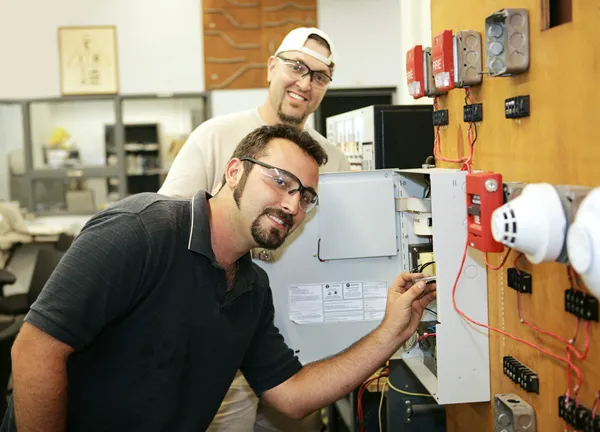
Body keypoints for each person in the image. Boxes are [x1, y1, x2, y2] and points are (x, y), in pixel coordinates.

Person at [3, 125, 436, 432]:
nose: (291, 204)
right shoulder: (140, 232)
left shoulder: (252, 288)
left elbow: (291, 395)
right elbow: (35, 349)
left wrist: (390, 332)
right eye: (280, 180)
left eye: (305, 196)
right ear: (234, 172)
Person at [158, 27, 350, 431]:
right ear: (271, 68)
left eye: (319, 76)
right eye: (296, 67)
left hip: (297, 352)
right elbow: (169, 230)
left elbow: (337, 255)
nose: (304, 83)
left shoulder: (332, 161)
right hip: (218, 353)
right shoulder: (215, 137)